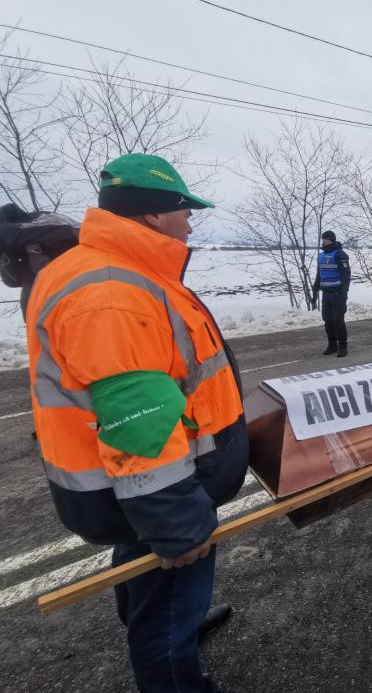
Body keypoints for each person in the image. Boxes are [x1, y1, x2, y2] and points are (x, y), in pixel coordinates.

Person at [25, 153, 249, 693]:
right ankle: (174, 662)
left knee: (148, 570)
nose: (191, 221)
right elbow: (139, 422)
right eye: (183, 209)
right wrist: (176, 524)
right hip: (157, 490)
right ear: (152, 215)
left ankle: (171, 619)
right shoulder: (111, 293)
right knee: (167, 593)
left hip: (140, 491)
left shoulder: (119, 270)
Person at [0, 203, 79, 317]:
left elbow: (76, 231)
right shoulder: (18, 245)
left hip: (68, 297)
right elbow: (12, 280)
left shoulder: (41, 219)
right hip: (38, 308)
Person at [311, 230, 351, 357]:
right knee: (327, 320)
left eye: (325, 239)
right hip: (326, 294)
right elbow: (319, 274)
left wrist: (343, 294)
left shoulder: (340, 254)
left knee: (338, 320)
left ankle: (342, 347)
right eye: (322, 239)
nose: (323, 241)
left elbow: (346, 275)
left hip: (337, 294)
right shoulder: (321, 256)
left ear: (331, 240)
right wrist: (315, 290)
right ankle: (332, 345)